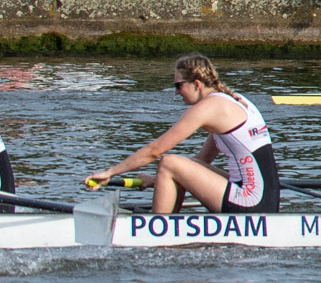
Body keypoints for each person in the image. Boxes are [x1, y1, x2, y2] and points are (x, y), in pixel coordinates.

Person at [85, 54, 279, 213]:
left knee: (169, 162)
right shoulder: (233, 100)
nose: (176, 93)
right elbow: (201, 162)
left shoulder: (210, 106)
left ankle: (156, 232)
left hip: (251, 203)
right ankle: (167, 224)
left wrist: (110, 172)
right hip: (265, 200)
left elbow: (155, 150)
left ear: (196, 84)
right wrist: (157, 181)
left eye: (179, 85)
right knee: (182, 164)